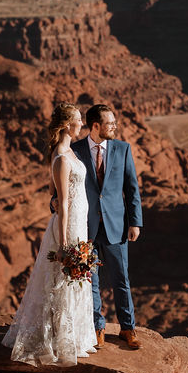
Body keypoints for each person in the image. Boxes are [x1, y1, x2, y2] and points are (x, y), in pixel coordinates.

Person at [2, 103, 98, 364]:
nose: (82, 124)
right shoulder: (61, 157)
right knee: (61, 280)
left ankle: (74, 336)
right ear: (68, 125)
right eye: (78, 120)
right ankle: (57, 339)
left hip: (80, 222)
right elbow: (63, 201)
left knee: (75, 279)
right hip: (69, 225)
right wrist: (65, 242)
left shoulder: (69, 152)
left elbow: (54, 195)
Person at [73, 104, 144, 349]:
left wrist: (135, 222)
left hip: (116, 226)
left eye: (114, 123)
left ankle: (128, 328)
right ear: (95, 126)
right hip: (86, 228)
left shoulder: (123, 149)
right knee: (91, 281)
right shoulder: (76, 150)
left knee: (120, 279)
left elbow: (131, 188)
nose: (114, 127)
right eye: (110, 123)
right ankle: (97, 328)